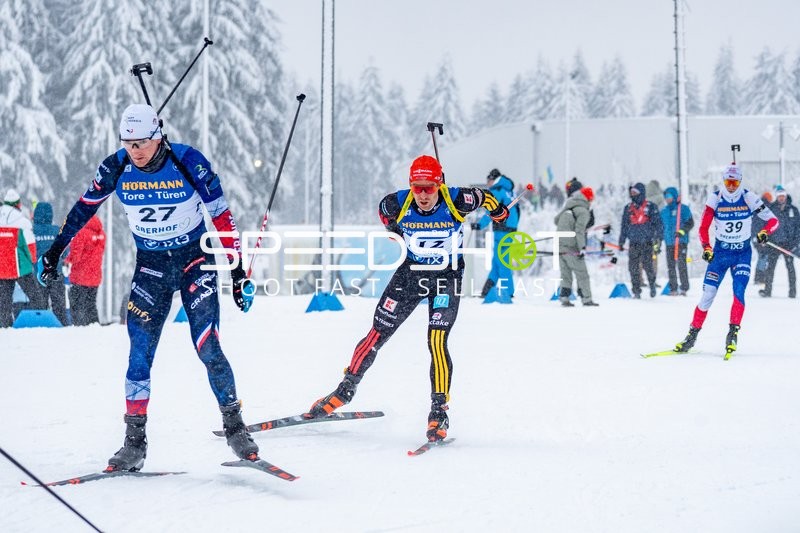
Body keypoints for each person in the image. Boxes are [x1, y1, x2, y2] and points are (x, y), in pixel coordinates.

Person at [36, 103, 259, 470]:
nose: (134, 151)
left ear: (157, 137)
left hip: (194, 262)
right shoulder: (116, 166)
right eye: (128, 143)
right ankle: (134, 443)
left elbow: (221, 215)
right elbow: (83, 209)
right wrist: (55, 251)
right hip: (151, 267)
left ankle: (236, 428)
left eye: (141, 142)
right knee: (138, 355)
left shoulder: (188, 161)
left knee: (208, 345)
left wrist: (236, 272)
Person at [304, 154, 509, 442]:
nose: (423, 195)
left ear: (439, 184)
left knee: (436, 340)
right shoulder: (396, 203)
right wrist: (395, 231)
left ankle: (438, 412)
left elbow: (486, 198)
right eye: (417, 187)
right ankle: (344, 391)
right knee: (377, 334)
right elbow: (383, 212)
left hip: (446, 277)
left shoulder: (458, 199)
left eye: (429, 188)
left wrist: (499, 213)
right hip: (410, 274)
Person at [674, 164, 778, 356]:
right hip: (721, 255)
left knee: (739, 291)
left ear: (740, 181)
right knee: (707, 296)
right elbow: (703, 228)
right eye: (728, 182)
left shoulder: (749, 197)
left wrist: (765, 231)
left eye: (734, 182)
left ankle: (732, 334)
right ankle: (691, 336)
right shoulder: (716, 198)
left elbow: (773, 220)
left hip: (742, 254)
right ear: (723, 181)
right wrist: (706, 248)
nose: (731, 186)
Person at [0, 189, 46, 327]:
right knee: (35, 296)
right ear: (18, 204)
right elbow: (30, 245)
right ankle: (40, 320)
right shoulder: (22, 221)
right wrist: (32, 261)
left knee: (4, 301)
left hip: (2, 268)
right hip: (20, 267)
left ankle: (5, 325)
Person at [473, 168, 520, 299]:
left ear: (492, 180)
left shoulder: (497, 191)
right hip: (509, 230)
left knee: (502, 263)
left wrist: (479, 225)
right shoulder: (508, 191)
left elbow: (491, 211)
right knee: (496, 262)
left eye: (488, 180)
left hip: (502, 230)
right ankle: (486, 292)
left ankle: (508, 293)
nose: (487, 183)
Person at [554, 178, 598, 306]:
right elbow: (579, 231)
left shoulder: (569, 206)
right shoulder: (583, 211)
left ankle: (564, 298)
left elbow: (556, 220)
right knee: (582, 273)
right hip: (572, 247)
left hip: (560, 245)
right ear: (588, 199)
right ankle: (587, 298)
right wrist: (582, 247)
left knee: (565, 273)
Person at [618, 182, 663, 298]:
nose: (632, 195)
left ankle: (652, 285)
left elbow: (658, 224)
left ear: (641, 193)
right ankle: (636, 291)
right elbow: (624, 226)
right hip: (633, 243)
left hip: (647, 242)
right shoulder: (628, 208)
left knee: (648, 266)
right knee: (633, 268)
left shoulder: (651, 207)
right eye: (631, 193)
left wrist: (659, 239)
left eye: (634, 193)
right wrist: (621, 241)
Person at [759, 186, 799, 298]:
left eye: (783, 196)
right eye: (779, 196)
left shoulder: (793, 210)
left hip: (788, 245)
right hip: (774, 244)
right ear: (777, 197)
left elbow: (798, 228)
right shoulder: (771, 209)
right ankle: (767, 290)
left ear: (785, 196)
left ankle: (792, 292)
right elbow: (764, 224)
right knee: (770, 268)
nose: (781, 198)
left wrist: (795, 244)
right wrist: (764, 237)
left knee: (791, 269)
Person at [65, 214, 106, 325]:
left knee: (77, 304)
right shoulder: (101, 234)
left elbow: (75, 256)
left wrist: (66, 260)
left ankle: (79, 327)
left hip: (80, 276)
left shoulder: (81, 233)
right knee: (91, 304)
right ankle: (94, 325)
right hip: (95, 277)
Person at [32, 202, 69, 325]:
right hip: (55, 273)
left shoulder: (31, 231)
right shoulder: (57, 231)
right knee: (58, 305)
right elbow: (65, 252)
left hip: (37, 274)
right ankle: (61, 326)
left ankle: (38, 326)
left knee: (39, 305)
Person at [659, 187, 694, 295]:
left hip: (681, 242)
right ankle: (673, 288)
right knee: (671, 266)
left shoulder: (683, 209)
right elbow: (661, 227)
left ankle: (684, 288)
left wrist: (681, 232)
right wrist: (659, 240)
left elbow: (690, 223)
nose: (667, 199)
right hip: (669, 242)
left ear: (674, 196)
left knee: (682, 265)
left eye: (669, 196)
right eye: (666, 197)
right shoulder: (664, 211)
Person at [752, 191, 774, 284]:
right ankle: (759, 277)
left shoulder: (757, 207)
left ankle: (760, 276)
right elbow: (760, 224)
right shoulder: (765, 208)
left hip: (756, 236)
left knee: (763, 256)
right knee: (763, 257)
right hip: (760, 238)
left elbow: (754, 223)